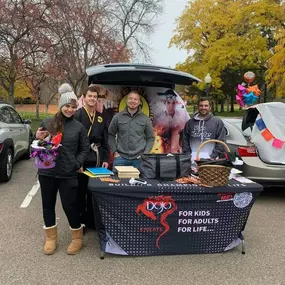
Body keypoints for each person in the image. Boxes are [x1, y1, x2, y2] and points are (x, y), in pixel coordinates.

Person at [35, 83, 89, 255]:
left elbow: (84, 149)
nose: (70, 110)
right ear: (61, 105)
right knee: (47, 205)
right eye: (67, 106)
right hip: (47, 172)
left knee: (70, 206)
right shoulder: (47, 122)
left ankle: (77, 237)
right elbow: (38, 146)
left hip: (68, 174)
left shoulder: (79, 127)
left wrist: (76, 163)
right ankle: (51, 238)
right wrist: (38, 138)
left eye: (73, 107)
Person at [74, 84, 109, 228]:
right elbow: (73, 139)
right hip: (82, 159)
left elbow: (105, 140)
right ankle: (80, 221)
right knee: (80, 191)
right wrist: (77, 162)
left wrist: (106, 158)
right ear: (84, 98)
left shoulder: (100, 117)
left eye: (95, 97)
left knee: (93, 190)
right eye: (90, 96)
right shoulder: (77, 115)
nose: (92, 99)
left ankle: (91, 220)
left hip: (96, 159)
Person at [108, 90, 154, 168]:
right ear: (126, 101)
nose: (133, 101)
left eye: (135, 99)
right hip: (120, 159)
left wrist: (145, 154)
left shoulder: (145, 119)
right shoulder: (117, 117)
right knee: (118, 180)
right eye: (130, 98)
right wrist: (115, 152)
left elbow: (150, 138)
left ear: (139, 102)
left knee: (139, 180)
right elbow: (110, 134)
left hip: (139, 160)